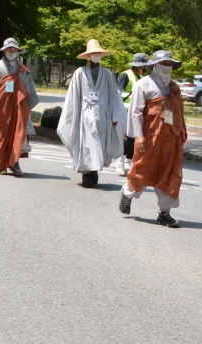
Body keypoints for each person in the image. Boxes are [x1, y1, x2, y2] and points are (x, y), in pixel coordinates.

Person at [118, 50, 187, 228]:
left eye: (169, 64)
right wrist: (138, 136)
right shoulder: (144, 84)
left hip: (171, 139)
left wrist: (180, 136)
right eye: (163, 63)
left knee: (169, 173)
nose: (166, 67)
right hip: (149, 137)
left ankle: (165, 213)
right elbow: (135, 112)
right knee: (142, 168)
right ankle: (127, 193)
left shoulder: (175, 88)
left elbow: (179, 114)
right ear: (154, 65)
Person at [57, 39, 127, 187]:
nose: (96, 55)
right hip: (84, 114)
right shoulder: (79, 73)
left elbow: (114, 96)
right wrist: (72, 117)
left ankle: (94, 170)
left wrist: (115, 116)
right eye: (93, 53)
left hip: (103, 115)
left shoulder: (107, 74)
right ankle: (86, 174)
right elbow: (73, 96)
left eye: (98, 53)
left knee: (99, 144)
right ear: (89, 55)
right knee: (86, 145)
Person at [0, 38, 40, 176]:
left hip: (18, 107)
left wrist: (28, 107)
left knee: (17, 133)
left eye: (14, 49)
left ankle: (14, 164)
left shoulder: (22, 69)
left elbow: (29, 88)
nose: (11, 51)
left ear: (17, 51)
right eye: (9, 49)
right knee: (0, 134)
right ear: (4, 50)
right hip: (1, 106)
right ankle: (0, 165)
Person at [114, 53, 148, 176]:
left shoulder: (140, 77)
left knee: (134, 138)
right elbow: (118, 93)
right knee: (130, 138)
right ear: (140, 66)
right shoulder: (126, 75)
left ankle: (128, 162)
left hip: (136, 113)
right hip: (125, 112)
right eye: (144, 65)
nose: (145, 68)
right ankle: (120, 161)